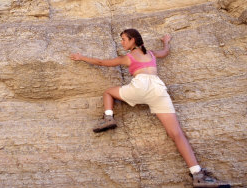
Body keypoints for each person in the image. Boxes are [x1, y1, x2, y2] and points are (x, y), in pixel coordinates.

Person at [70, 29, 229, 188]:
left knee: (108, 92)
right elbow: (165, 52)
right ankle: (198, 176)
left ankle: (109, 118)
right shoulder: (152, 54)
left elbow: (101, 63)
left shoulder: (128, 57)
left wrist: (81, 57)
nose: (122, 42)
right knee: (176, 134)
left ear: (133, 40)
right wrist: (166, 41)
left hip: (139, 88)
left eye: (124, 39)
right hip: (158, 90)